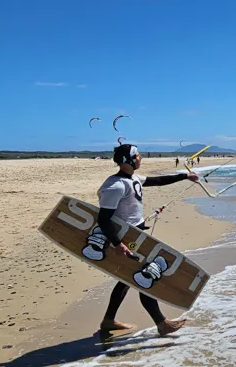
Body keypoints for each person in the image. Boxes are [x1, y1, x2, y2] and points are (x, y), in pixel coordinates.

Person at [96, 143, 199, 336]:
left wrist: (185, 176)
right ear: (129, 160)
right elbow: (103, 219)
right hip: (126, 239)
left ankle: (108, 320)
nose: (141, 157)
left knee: (126, 279)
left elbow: (158, 181)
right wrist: (118, 244)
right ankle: (162, 323)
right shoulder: (115, 186)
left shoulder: (133, 178)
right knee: (145, 275)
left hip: (138, 236)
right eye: (138, 155)